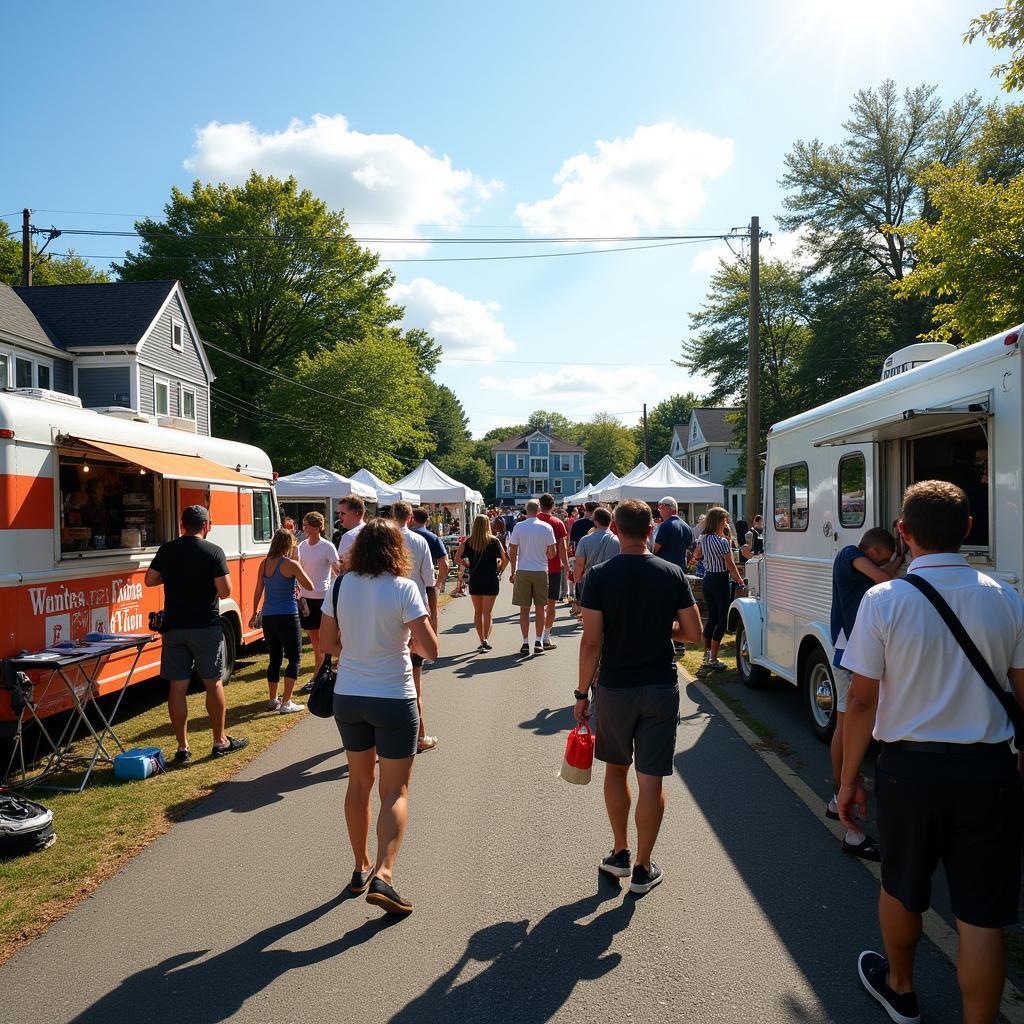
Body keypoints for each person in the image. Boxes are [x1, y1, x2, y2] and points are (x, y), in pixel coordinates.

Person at [839, 480, 1024, 1024]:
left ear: (903, 533)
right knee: (981, 916)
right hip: (989, 770)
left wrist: (849, 779)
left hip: (908, 771)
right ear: (969, 529)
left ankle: (901, 989)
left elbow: (860, 701)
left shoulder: (884, 600)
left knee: (901, 884)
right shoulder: (1006, 597)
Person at [576, 499, 702, 894]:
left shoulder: (598, 576)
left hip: (614, 686)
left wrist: (582, 693)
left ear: (614, 528)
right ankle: (644, 868)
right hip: (660, 686)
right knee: (652, 781)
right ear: (652, 529)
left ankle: (620, 852)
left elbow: (591, 641)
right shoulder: (672, 573)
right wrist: (665, 633)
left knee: (616, 769)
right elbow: (694, 633)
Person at [319, 518, 439, 916]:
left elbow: (328, 644)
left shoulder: (339, 586)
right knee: (395, 791)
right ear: (397, 549)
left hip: (349, 695)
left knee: (358, 783)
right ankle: (384, 875)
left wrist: (358, 644)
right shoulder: (404, 588)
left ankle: (360, 867)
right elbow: (431, 649)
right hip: (393, 695)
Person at [144, 505, 248, 763]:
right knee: (212, 682)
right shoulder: (213, 552)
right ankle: (219, 741)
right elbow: (225, 592)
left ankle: (182, 748)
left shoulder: (167, 549)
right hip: (205, 626)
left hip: (175, 627)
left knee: (177, 687)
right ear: (207, 526)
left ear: (182, 525)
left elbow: (150, 580)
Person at [827, 526, 903, 861]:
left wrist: (899, 557)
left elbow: (883, 576)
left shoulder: (857, 559)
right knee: (846, 724)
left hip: (852, 650)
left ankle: (837, 797)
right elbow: (883, 579)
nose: (886, 565)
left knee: (846, 722)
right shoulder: (849, 555)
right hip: (849, 652)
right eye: (884, 558)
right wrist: (901, 562)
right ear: (871, 552)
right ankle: (850, 825)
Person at [250, 528, 314, 714]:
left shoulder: (264, 563)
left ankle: (273, 699)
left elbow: (257, 590)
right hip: (288, 615)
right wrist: (297, 571)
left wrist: (254, 613)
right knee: (294, 657)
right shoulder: (291, 564)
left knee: (274, 659)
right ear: (289, 545)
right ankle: (286, 702)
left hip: (269, 616)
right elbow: (309, 585)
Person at [393, 501, 440, 753]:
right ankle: (419, 735)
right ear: (410, 517)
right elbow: (429, 578)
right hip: (414, 610)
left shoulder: (385, 539)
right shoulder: (419, 541)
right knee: (414, 679)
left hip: (387, 610)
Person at [693, 507, 745, 676]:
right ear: (718, 521)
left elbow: (697, 556)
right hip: (720, 580)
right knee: (722, 620)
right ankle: (713, 658)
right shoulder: (722, 542)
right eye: (724, 520)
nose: (727, 522)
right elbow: (730, 565)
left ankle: (707, 654)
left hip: (708, 579)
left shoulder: (704, 538)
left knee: (712, 617)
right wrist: (739, 580)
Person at [508, 499, 556, 656]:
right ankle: (538, 640)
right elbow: (552, 552)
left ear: (525, 510)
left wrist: (513, 571)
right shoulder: (546, 527)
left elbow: (513, 551)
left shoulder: (519, 527)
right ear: (539, 510)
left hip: (523, 569)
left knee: (524, 608)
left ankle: (524, 642)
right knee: (540, 607)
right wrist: (544, 553)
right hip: (541, 569)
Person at [296, 511, 340, 685]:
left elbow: (337, 569)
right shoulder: (301, 546)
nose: (303, 528)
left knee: (323, 639)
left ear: (316, 527)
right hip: (305, 598)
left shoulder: (327, 546)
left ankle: (319, 673)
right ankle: (321, 671)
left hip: (322, 597)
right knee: (314, 639)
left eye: (306, 525)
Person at [457, 514, 509, 650]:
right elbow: (505, 559)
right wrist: (500, 572)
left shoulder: (469, 542)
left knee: (477, 612)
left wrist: (466, 564)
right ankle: (486, 639)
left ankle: (481, 639)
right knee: (487, 612)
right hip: (491, 578)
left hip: (475, 579)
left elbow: (457, 557)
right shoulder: (494, 541)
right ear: (488, 525)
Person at [410, 507, 450, 637]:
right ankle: (433, 643)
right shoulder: (433, 538)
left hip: (406, 581)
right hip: (428, 582)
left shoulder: (405, 536)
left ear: (412, 519)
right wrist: (439, 583)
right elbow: (445, 563)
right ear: (427, 520)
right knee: (432, 613)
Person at [537, 494, 570, 650]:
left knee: (538, 605)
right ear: (553, 506)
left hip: (535, 567)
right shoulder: (557, 523)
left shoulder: (531, 521)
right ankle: (546, 637)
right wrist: (566, 565)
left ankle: (538, 637)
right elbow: (562, 548)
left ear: (539, 505)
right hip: (554, 568)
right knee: (551, 604)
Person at [573, 506, 619, 607]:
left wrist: (576, 584)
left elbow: (579, 566)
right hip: (611, 583)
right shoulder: (618, 541)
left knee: (589, 617)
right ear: (610, 521)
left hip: (589, 583)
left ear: (596, 522)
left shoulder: (584, 540)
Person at [335, 496, 366, 573]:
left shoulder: (349, 536)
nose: (339, 516)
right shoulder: (374, 531)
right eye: (339, 513)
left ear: (357, 513)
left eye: (343, 513)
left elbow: (341, 568)